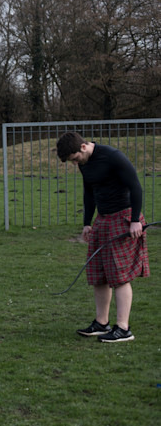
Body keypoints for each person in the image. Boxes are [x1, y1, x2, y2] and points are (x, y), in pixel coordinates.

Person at [56, 131, 150, 342]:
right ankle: (101, 323)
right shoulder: (84, 163)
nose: (75, 164)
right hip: (103, 220)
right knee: (98, 273)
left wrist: (135, 220)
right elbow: (89, 193)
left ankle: (123, 329)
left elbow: (135, 186)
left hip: (124, 217)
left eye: (74, 159)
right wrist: (87, 223)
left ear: (82, 147)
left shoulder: (113, 156)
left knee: (119, 275)